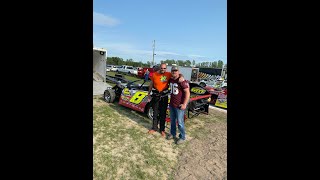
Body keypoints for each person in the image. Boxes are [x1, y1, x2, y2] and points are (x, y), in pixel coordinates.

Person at [147, 63, 184, 137]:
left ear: (166, 69)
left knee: (163, 114)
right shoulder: (154, 74)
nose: (163, 69)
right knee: (155, 113)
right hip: (156, 96)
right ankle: (154, 128)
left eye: (164, 68)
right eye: (162, 68)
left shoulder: (168, 74)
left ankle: (162, 129)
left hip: (164, 96)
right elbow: (151, 84)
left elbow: (177, 74)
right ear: (159, 68)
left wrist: (181, 77)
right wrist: (148, 94)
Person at [167, 66, 190, 144]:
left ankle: (182, 137)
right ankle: (173, 133)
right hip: (172, 104)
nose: (174, 72)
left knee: (180, 122)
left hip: (179, 105)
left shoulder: (182, 81)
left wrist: (184, 104)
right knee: (172, 121)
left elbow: (187, 93)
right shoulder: (170, 79)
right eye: (173, 71)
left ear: (178, 71)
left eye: (176, 71)